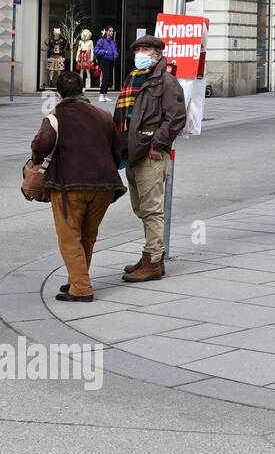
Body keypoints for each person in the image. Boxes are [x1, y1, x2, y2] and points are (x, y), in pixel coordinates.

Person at [30, 71, 126, 301]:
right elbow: (118, 149)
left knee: (70, 236)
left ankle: (81, 289)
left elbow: (41, 145)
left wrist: (35, 159)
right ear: (83, 89)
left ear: (58, 93)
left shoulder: (55, 117)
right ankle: (77, 279)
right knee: (87, 236)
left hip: (69, 185)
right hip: (104, 185)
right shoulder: (103, 116)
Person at [114, 34, 186, 282]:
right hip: (131, 152)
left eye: (144, 50)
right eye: (137, 50)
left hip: (151, 152)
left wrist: (159, 144)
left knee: (152, 209)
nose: (140, 54)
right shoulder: (134, 78)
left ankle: (154, 261)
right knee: (141, 209)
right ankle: (149, 255)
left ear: (157, 53)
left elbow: (176, 117)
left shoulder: (166, 81)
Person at [93, 27, 118, 102]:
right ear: (106, 32)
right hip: (104, 60)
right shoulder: (101, 41)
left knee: (109, 78)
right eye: (110, 31)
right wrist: (105, 52)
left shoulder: (113, 42)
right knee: (106, 77)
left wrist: (116, 55)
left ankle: (104, 94)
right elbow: (96, 50)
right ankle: (101, 95)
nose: (111, 32)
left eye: (112, 31)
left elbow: (115, 50)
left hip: (111, 61)